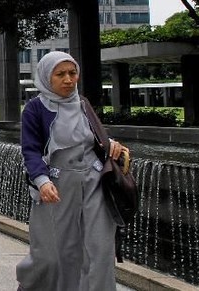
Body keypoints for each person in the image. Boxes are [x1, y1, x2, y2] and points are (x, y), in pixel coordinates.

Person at [16, 51, 130, 290]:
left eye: (72, 73)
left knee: (100, 249)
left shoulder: (82, 104)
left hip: (95, 181)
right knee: (52, 254)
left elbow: (93, 138)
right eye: (60, 74)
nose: (68, 80)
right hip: (56, 184)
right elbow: (31, 151)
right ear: (47, 77)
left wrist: (111, 144)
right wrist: (42, 181)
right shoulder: (34, 109)